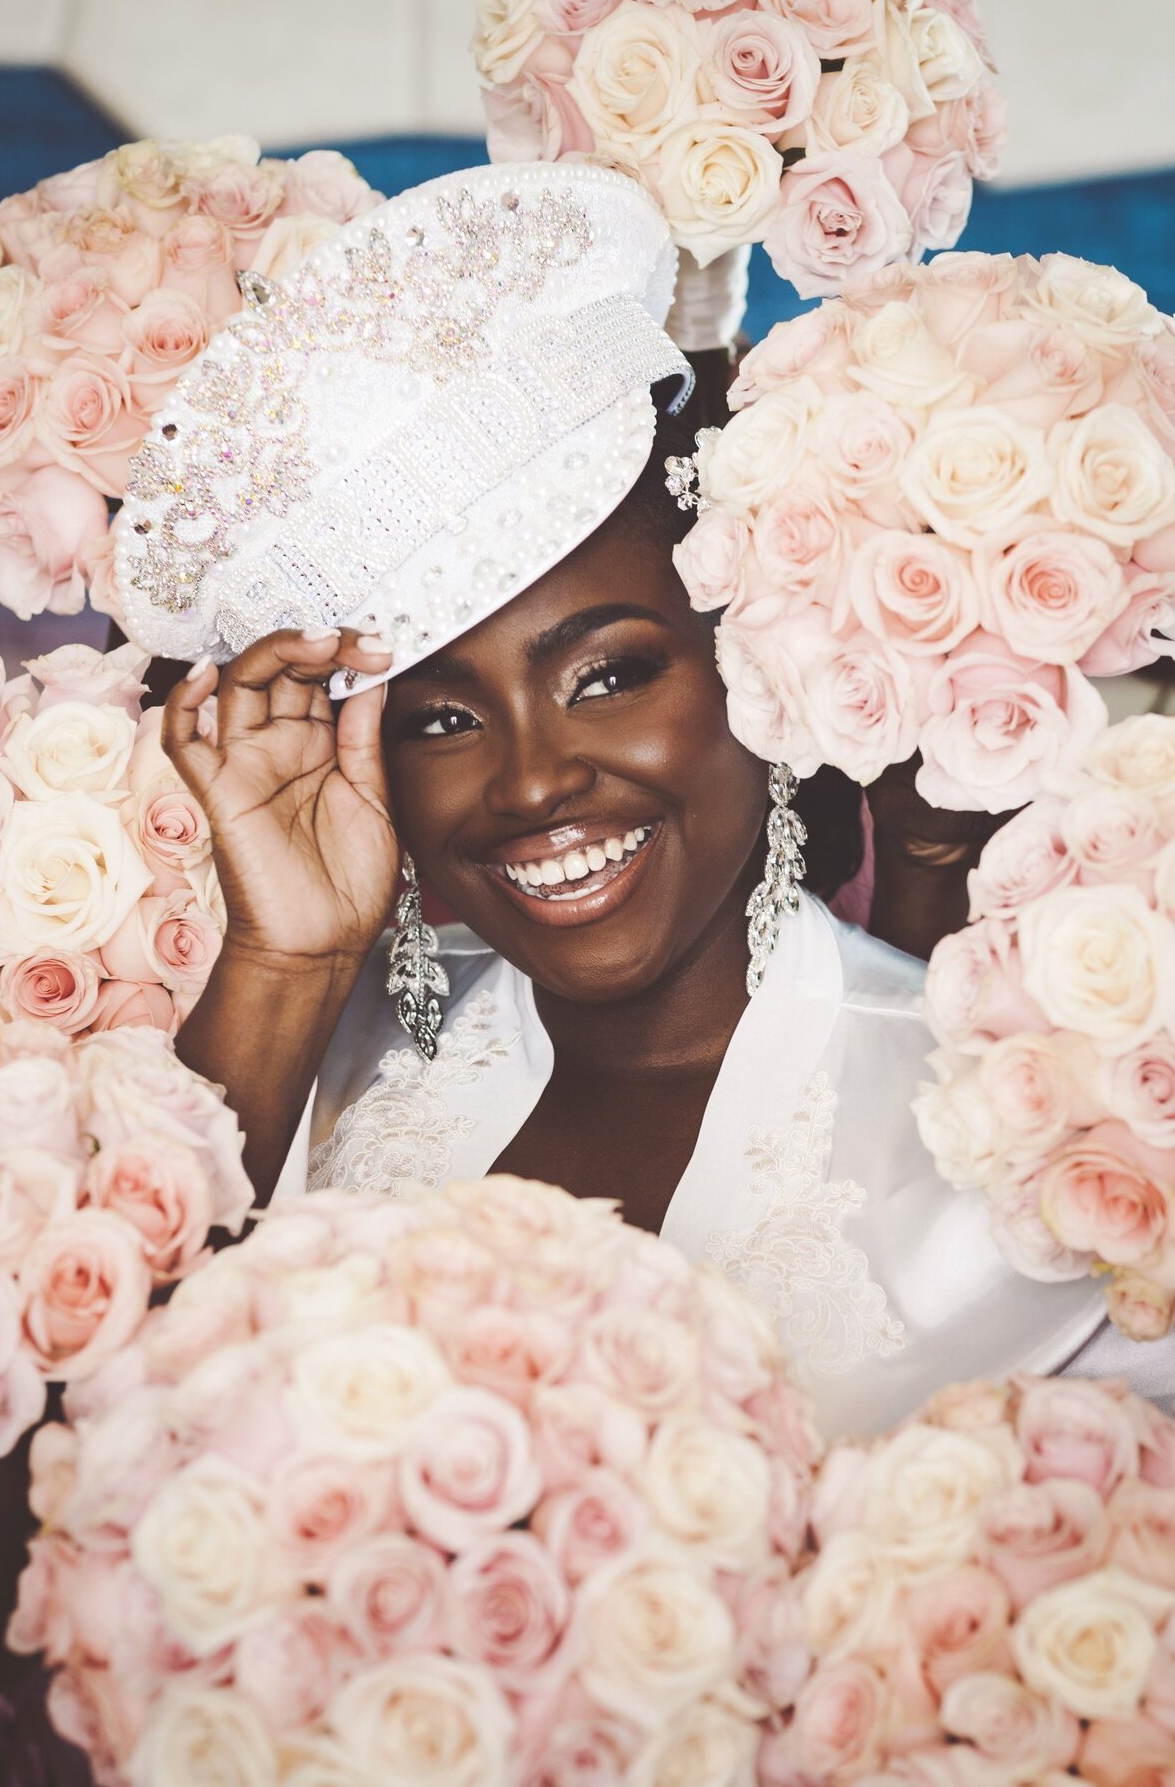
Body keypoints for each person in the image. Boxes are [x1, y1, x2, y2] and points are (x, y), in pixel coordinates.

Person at [120, 162, 1157, 1437]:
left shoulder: (1027, 1139)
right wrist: (284, 959)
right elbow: (90, 1472)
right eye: (442, 715)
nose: (534, 778)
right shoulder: (308, 1082)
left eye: (608, 674)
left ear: (756, 662)